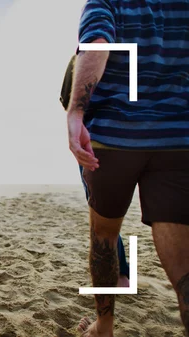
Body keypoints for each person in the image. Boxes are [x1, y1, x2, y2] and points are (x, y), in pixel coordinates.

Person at [67, 1, 189, 336]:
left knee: (105, 234)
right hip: (177, 138)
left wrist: (76, 112)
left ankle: (103, 326)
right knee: (184, 268)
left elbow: (96, 46)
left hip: (115, 136)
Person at [60, 55, 130, 288]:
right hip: (136, 137)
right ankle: (122, 276)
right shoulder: (129, 55)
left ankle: (119, 278)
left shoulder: (80, 60)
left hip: (95, 141)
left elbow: (66, 98)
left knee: (101, 214)